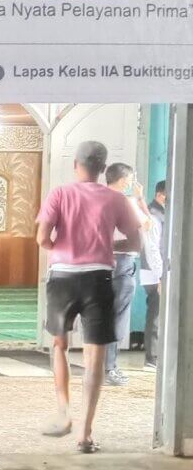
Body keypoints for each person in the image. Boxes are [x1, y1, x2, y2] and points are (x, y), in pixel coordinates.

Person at [36, 142, 142, 453]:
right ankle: (85, 434)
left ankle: (63, 411)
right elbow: (135, 242)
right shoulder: (116, 198)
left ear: (75, 164)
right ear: (103, 168)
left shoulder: (59, 194)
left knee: (59, 345)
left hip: (62, 278)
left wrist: (60, 247)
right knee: (95, 357)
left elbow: (42, 238)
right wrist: (107, 246)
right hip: (99, 279)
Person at [102, 163, 149, 386]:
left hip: (97, 263)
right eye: (130, 179)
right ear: (122, 181)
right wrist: (140, 199)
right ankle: (110, 368)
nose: (131, 183)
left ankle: (98, 366)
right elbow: (146, 225)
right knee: (117, 317)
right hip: (121, 264)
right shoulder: (126, 202)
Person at [142, 180, 168, 368]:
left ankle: (154, 356)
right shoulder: (153, 215)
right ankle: (152, 357)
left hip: (156, 271)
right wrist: (160, 276)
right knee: (156, 314)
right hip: (154, 273)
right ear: (160, 195)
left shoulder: (160, 213)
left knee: (158, 312)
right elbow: (152, 248)